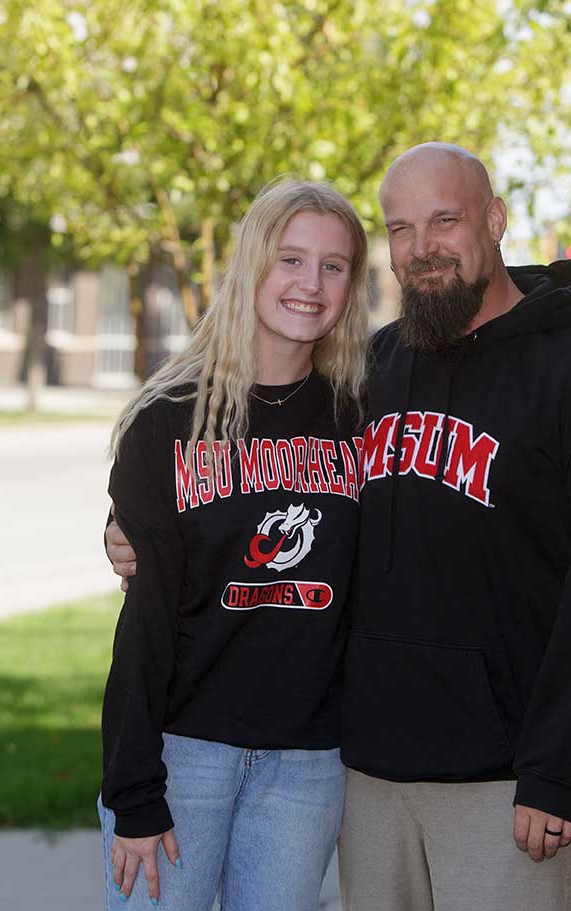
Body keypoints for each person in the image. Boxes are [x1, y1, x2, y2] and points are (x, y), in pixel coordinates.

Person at [106, 144, 571, 910]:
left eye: (445, 219)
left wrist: (559, 771)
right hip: (365, 776)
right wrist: (127, 523)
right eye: (400, 227)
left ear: (496, 220)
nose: (421, 246)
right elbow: (236, 490)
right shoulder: (371, 373)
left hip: (505, 782)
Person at [98, 179, 370, 910]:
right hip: (181, 754)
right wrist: (133, 789)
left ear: (352, 285)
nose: (310, 284)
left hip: (308, 766)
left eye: (334, 266)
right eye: (290, 259)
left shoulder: (363, 419)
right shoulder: (167, 421)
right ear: (252, 263)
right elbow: (146, 618)